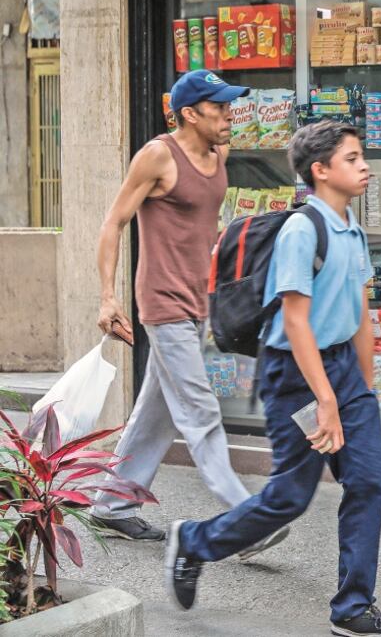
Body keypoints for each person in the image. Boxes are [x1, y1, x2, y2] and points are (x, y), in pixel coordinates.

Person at [164, 121, 381, 637]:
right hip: (297, 374)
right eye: (351, 158)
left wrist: (362, 391)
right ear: (320, 171)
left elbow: (361, 314)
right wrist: (325, 400)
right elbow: (296, 321)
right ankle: (194, 541)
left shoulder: (353, 228)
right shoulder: (303, 231)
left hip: (342, 369)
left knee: (368, 483)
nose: (364, 165)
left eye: (361, 156)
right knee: (289, 497)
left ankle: (352, 608)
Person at [93, 70, 287, 561]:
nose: (229, 115)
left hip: (198, 300)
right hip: (162, 303)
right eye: (218, 107)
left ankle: (112, 503)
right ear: (189, 113)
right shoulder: (158, 156)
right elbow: (114, 222)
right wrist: (106, 297)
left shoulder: (218, 155)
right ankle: (246, 521)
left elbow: (204, 224)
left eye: (229, 106)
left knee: (157, 407)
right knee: (199, 412)